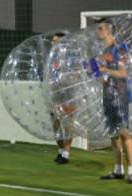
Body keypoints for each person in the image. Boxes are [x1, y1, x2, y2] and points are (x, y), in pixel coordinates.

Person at [95, 19, 132, 184]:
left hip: (119, 95)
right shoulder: (104, 50)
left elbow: (124, 74)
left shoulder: (120, 49)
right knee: (113, 133)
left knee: (124, 132)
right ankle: (118, 169)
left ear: (109, 30)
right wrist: (97, 73)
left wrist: (106, 70)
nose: (98, 31)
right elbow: (107, 75)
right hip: (108, 95)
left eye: (100, 28)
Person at [48, 32, 74, 165]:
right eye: (53, 41)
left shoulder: (69, 59)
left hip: (67, 94)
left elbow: (75, 76)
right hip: (55, 94)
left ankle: (66, 153)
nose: (53, 44)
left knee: (67, 124)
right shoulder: (50, 60)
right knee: (55, 124)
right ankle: (60, 150)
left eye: (56, 41)